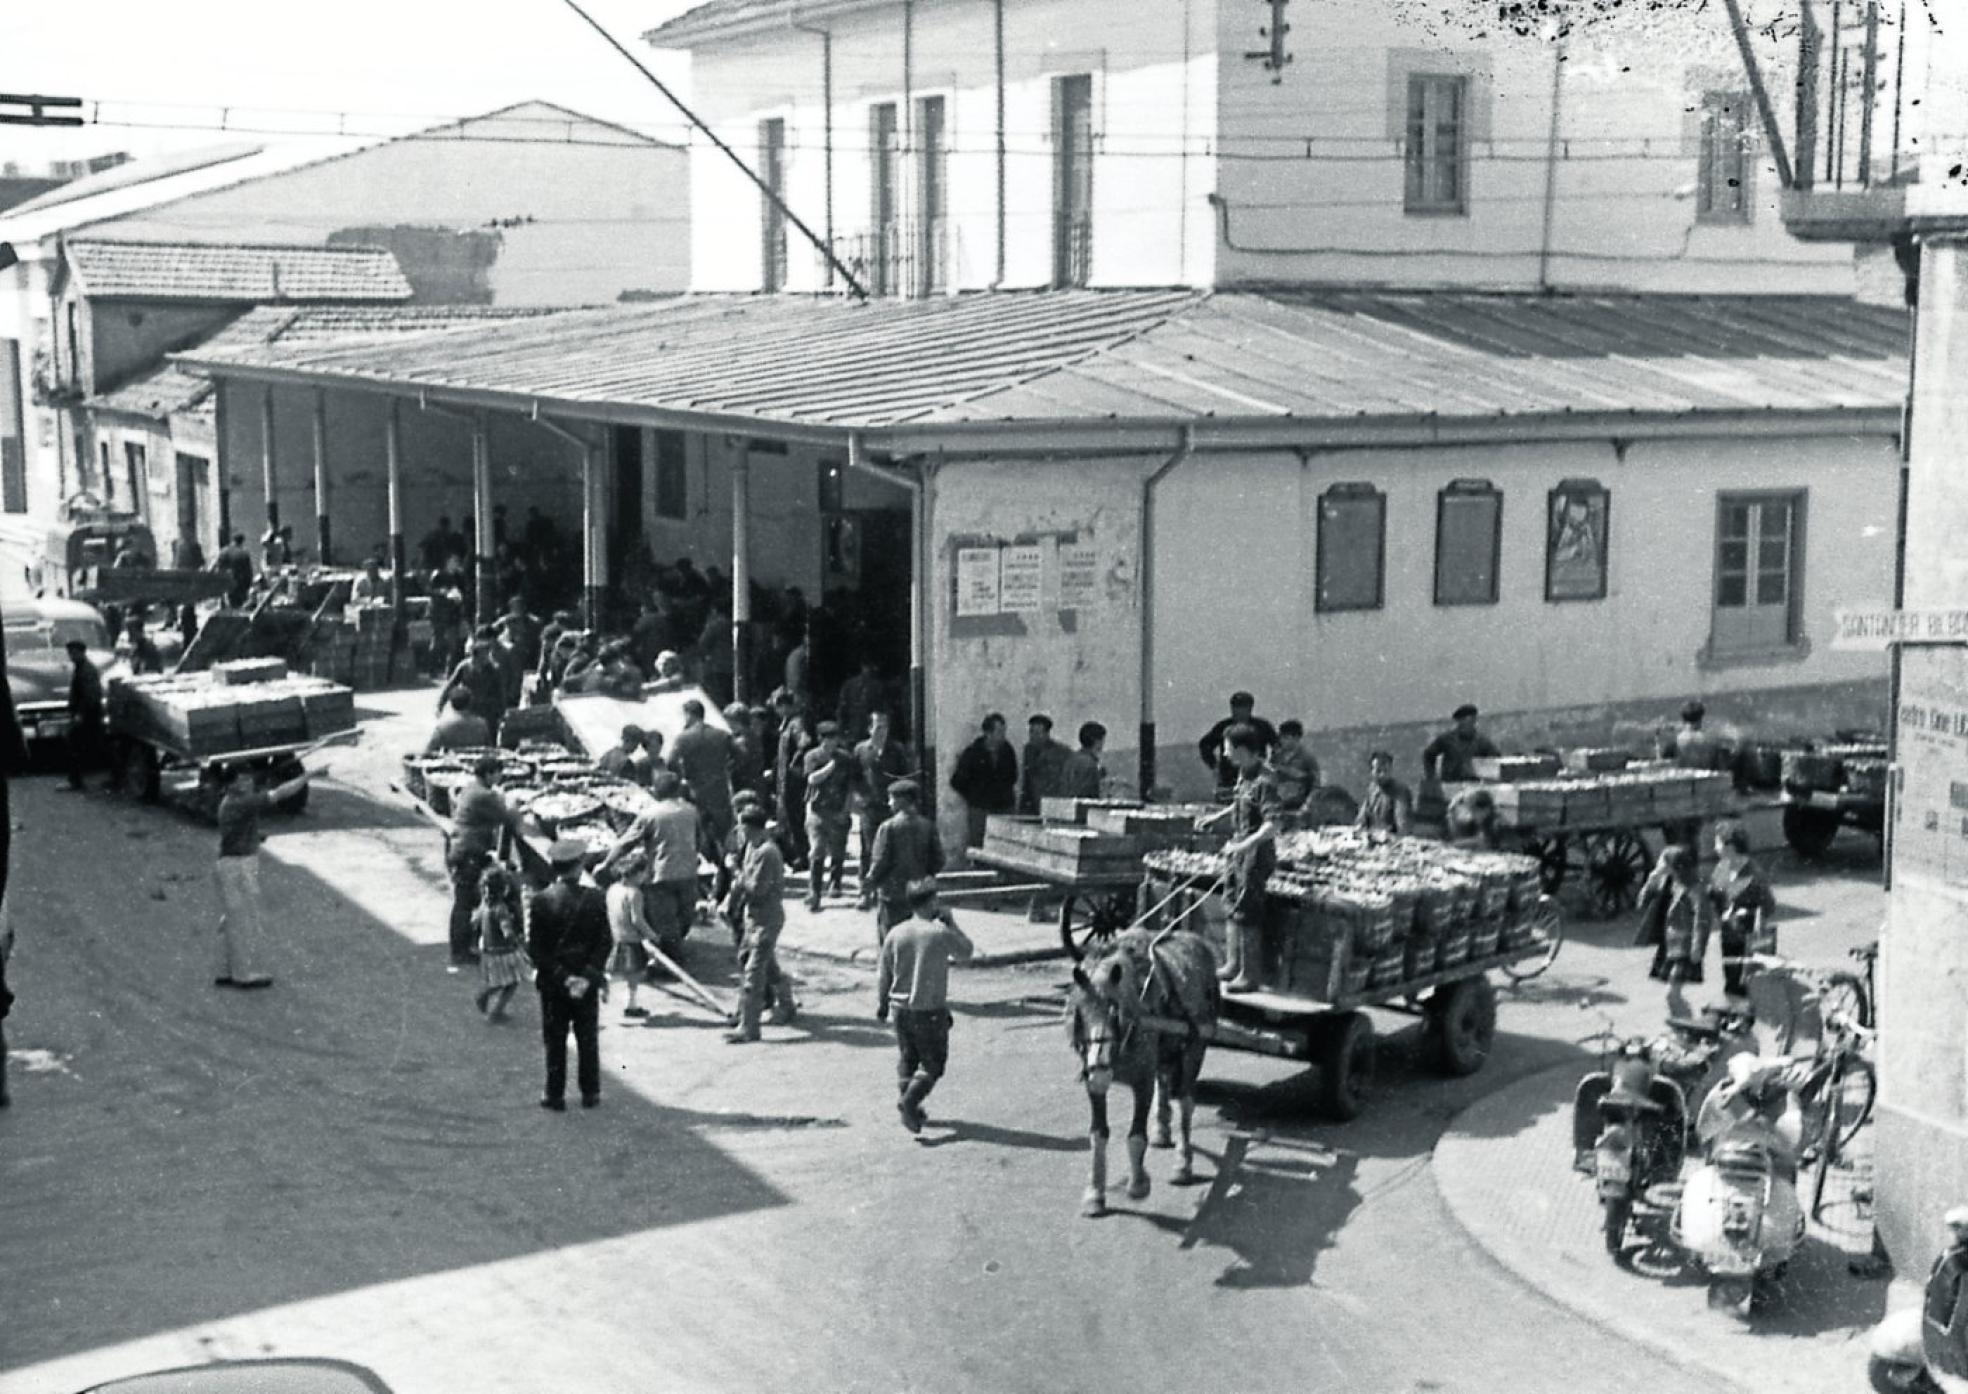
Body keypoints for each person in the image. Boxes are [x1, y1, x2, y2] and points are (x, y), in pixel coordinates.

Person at [876, 876, 976, 1134]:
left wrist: (882, 1003)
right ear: (932, 902)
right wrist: (952, 922)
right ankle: (909, 1102)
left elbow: (884, 973)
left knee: (908, 1058)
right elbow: (966, 951)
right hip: (929, 1010)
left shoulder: (895, 933)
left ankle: (910, 1106)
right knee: (933, 1064)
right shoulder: (939, 932)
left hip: (900, 1009)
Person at [210, 760, 311, 989]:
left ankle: (226, 969)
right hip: (239, 866)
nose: (248, 782)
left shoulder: (230, 802)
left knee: (232, 919)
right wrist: (306, 777)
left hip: (230, 864)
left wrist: (256, 836)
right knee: (243, 920)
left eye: (248, 778)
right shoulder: (242, 802)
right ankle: (243, 975)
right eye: (242, 779)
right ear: (231, 784)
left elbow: (240, 830)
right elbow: (279, 793)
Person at [1196, 724, 1282, 993]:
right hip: (1238, 851)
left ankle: (1249, 974)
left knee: (1248, 913)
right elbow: (1241, 804)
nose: (1224, 754)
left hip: (1255, 855)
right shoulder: (1244, 775)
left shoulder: (1265, 782)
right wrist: (1217, 818)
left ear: (1243, 750)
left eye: (1228, 748)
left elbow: (1273, 825)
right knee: (1231, 905)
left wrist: (1246, 844)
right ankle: (1233, 964)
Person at [527, 839, 612, 1110]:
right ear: (578, 866)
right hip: (586, 984)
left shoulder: (541, 900)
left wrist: (565, 976)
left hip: (554, 983)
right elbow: (605, 941)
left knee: (555, 1039)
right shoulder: (596, 898)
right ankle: (590, 1092)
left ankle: (554, 1094)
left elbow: (537, 950)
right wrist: (587, 975)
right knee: (587, 1038)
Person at [603, 771, 700, 958]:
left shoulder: (650, 815)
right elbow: (699, 839)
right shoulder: (691, 810)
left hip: (661, 875)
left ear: (656, 792)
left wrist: (606, 862)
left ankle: (672, 959)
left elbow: (626, 842)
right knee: (684, 914)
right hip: (688, 873)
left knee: (665, 919)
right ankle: (675, 949)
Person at [448, 753, 524, 972]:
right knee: (464, 903)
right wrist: (514, 804)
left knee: (468, 900)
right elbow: (508, 818)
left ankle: (467, 946)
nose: (500, 777)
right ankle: (460, 952)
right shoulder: (484, 796)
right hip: (468, 853)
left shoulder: (471, 789)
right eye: (498, 773)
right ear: (490, 774)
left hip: (463, 850)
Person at [725, 804, 795, 1043]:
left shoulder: (767, 852)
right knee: (764, 965)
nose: (738, 830)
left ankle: (749, 1027)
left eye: (741, 825)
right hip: (752, 917)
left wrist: (735, 872)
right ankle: (787, 1004)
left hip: (766, 919)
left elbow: (757, 889)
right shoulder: (751, 848)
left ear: (749, 827)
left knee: (753, 974)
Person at [865, 780, 946, 945]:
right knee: (917, 941)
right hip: (920, 893)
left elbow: (880, 860)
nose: (889, 803)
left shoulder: (888, 827)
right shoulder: (927, 825)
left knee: (890, 940)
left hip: (892, 894)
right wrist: (924, 875)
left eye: (892, 799)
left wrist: (870, 881)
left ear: (903, 801)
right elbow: (939, 859)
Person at [1637, 844, 1711, 1020]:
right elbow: (1641, 903)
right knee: (1671, 997)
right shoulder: (1669, 884)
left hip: (1684, 948)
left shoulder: (1694, 888)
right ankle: (1684, 1025)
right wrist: (1651, 879)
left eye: (1664, 861)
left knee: (1671, 994)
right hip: (1670, 946)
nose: (1660, 864)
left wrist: (1697, 946)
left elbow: (1702, 918)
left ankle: (1689, 1026)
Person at [853, 711, 915, 907]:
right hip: (870, 807)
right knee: (868, 850)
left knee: (891, 850)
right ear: (869, 729)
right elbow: (854, 777)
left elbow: (905, 777)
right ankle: (865, 892)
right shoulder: (861, 750)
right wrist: (858, 798)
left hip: (892, 809)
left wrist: (903, 804)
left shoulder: (896, 750)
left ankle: (888, 891)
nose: (882, 732)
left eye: (885, 728)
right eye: (878, 727)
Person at [1708, 822, 1777, 998]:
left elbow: (1769, 906)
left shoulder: (1754, 875)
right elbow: (1714, 893)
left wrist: (1747, 913)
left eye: (1718, 843)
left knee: (1748, 985)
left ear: (1730, 846)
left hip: (1749, 940)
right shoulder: (1722, 867)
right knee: (1731, 981)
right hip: (1729, 935)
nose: (1715, 848)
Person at [802, 720, 855, 911]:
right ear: (820, 739)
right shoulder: (812, 756)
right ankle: (814, 892)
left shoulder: (847, 758)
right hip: (817, 810)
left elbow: (850, 787)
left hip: (838, 809)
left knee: (838, 848)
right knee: (817, 850)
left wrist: (846, 810)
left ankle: (835, 881)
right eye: (827, 739)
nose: (831, 743)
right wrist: (831, 765)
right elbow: (812, 778)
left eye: (834, 739)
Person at [671, 698, 736, 849]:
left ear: (689, 715)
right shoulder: (722, 735)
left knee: (700, 833)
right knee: (724, 831)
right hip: (720, 789)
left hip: (696, 790)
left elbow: (671, 762)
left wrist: (683, 776)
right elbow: (740, 755)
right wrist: (726, 768)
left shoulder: (682, 738)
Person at [950, 712, 1018, 849]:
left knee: (1005, 846)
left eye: (1004, 731)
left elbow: (1013, 775)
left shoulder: (1007, 751)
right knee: (979, 846)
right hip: (980, 810)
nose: (1003, 735)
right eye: (999, 731)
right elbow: (957, 781)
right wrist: (975, 797)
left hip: (1004, 808)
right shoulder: (973, 753)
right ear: (988, 733)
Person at [605, 854, 660, 1019]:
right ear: (637, 873)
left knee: (614, 971)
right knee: (634, 975)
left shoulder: (612, 889)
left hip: (616, 936)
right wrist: (652, 935)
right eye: (644, 873)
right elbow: (637, 920)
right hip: (631, 939)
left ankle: (608, 990)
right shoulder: (635, 893)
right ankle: (631, 1004)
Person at [472, 862, 529, 1021]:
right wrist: (518, 940)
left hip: (489, 952)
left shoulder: (484, 906)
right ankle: (496, 1011)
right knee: (512, 982)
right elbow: (507, 932)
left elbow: (475, 923)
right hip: (504, 953)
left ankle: (485, 995)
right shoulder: (501, 909)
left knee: (498, 981)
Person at [1198, 691, 1278, 795]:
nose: (1239, 712)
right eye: (1235, 708)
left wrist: (1272, 763)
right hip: (1228, 777)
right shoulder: (1223, 727)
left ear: (1250, 709)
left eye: (1243, 708)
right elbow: (1205, 745)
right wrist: (1214, 765)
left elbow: (1277, 746)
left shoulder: (1262, 726)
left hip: (1255, 774)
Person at [440, 631, 510, 742]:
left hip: (488, 711)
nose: (488, 657)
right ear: (476, 656)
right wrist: (441, 705)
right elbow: (450, 686)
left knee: (489, 739)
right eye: (485, 655)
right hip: (469, 709)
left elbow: (501, 693)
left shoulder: (494, 670)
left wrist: (502, 712)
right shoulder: (464, 667)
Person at [773, 689, 814, 870]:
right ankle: (796, 854)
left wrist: (794, 763)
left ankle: (801, 855)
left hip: (792, 781)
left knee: (794, 818)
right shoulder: (787, 724)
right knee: (787, 818)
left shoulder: (796, 724)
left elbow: (804, 742)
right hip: (784, 780)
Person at [63, 639, 105, 792]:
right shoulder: (82, 668)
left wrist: (80, 714)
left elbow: (90, 695)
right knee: (94, 744)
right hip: (89, 714)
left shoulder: (86, 670)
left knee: (73, 743)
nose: (71, 656)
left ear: (81, 653)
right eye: (70, 653)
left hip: (88, 715)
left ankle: (75, 781)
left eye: (73, 653)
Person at [1421, 704, 1501, 784]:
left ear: (1474, 722)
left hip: (1473, 784)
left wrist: (1485, 772)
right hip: (1450, 783)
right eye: (1462, 721)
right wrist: (1431, 776)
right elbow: (1428, 754)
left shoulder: (1482, 741)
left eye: (1470, 721)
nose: (1465, 724)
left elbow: (1496, 757)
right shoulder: (1446, 739)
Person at [1017, 714, 1072, 816]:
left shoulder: (1061, 752)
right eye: (1031, 732)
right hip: (1032, 805)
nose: (1033, 736)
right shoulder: (1028, 750)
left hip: (1052, 805)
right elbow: (1027, 781)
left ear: (1047, 733)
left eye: (1038, 733)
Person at [1354, 750, 1414, 835]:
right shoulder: (1372, 789)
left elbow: (1402, 826)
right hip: (1372, 837)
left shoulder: (1400, 791)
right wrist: (1360, 827)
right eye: (1378, 771)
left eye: (1386, 771)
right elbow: (1361, 818)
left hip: (1391, 841)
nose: (1382, 775)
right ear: (1371, 772)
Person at [1272, 719, 1321, 812]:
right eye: (1281, 737)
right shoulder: (1277, 756)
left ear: (1296, 738)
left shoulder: (1307, 758)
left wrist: (1308, 806)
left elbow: (1315, 785)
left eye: (1286, 738)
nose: (1282, 741)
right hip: (1278, 803)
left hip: (1299, 804)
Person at [836, 657, 887, 743]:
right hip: (853, 728)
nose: (869, 670)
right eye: (867, 666)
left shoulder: (878, 687)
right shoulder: (850, 685)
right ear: (862, 667)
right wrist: (842, 731)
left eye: (871, 667)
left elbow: (882, 709)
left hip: (869, 729)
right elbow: (842, 709)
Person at [425, 689, 492, 753]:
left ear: (451, 704)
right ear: (470, 703)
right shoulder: (482, 725)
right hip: (477, 763)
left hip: (453, 763)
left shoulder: (443, 727)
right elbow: (489, 749)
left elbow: (429, 751)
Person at [495, 595, 541, 680]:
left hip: (530, 655)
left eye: (519, 606)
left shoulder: (534, 622)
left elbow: (538, 639)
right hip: (511, 656)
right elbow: (493, 632)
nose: (517, 609)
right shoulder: (505, 621)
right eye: (515, 606)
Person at [1062, 722, 1107, 799]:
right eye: (1103, 739)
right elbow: (1088, 792)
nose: (1104, 743)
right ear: (1097, 741)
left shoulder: (1072, 758)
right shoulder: (1089, 763)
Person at [214, 533, 256, 608]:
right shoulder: (244, 553)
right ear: (242, 542)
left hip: (228, 582)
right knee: (240, 605)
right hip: (241, 584)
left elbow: (219, 569)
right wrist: (249, 585)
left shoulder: (224, 551)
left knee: (229, 605)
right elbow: (248, 572)